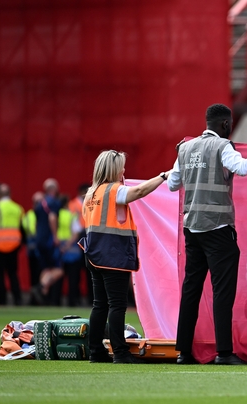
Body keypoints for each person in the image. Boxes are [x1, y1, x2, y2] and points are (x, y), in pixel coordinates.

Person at [168, 104, 247, 365]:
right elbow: (242, 168)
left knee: (191, 290)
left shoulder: (184, 148)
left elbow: (173, 184)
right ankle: (223, 352)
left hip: (192, 228)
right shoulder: (222, 146)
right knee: (222, 292)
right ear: (225, 125)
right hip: (218, 228)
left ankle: (183, 352)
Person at [80, 150, 171, 363]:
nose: (123, 170)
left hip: (93, 253)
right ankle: (120, 353)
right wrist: (163, 176)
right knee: (117, 304)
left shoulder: (91, 193)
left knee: (99, 304)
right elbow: (138, 192)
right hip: (112, 254)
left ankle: (96, 352)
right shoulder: (115, 191)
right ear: (113, 169)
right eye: (121, 166)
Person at [0, 184, 24, 305]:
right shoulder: (18, 208)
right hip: (14, 244)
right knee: (13, 274)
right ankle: (17, 300)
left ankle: (1, 301)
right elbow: (22, 225)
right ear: (10, 194)